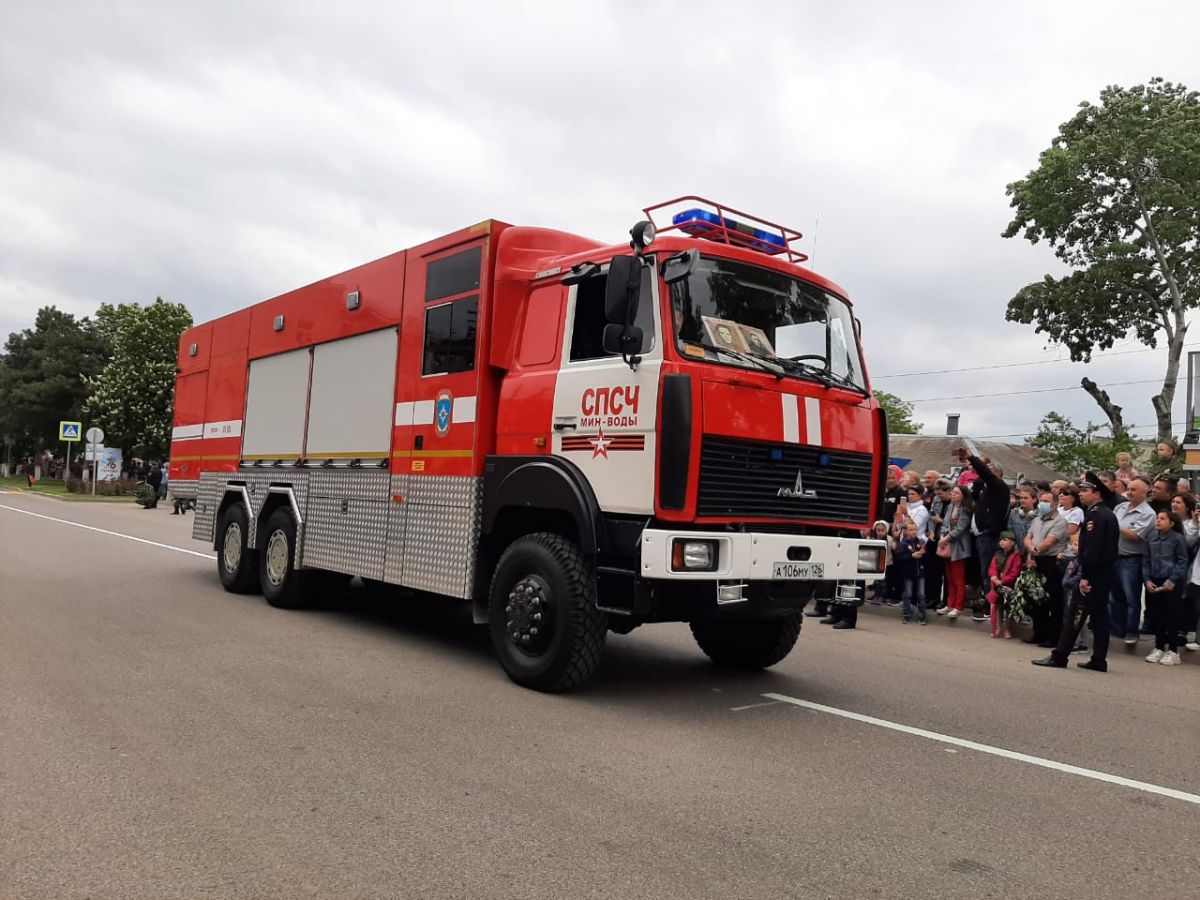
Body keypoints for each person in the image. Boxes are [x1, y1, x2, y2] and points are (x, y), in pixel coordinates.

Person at [1033, 478, 1119, 672]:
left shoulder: (1096, 516)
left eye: (1085, 490)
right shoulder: (1107, 513)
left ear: (1097, 493)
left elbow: (1093, 550)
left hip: (1093, 575)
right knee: (1100, 617)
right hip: (1104, 574)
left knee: (1074, 616)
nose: (1081, 494)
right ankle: (1098, 659)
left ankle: (1060, 656)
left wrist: (1085, 576)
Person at [956, 448, 1009, 616]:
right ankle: (985, 603)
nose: (983, 477)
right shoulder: (986, 490)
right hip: (979, 536)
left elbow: (986, 475)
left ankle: (990, 607)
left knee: (988, 573)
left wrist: (972, 458)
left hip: (989, 536)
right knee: (982, 573)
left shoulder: (1000, 488)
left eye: (988, 473)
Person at [1110, 477, 1156, 645]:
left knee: (1131, 598)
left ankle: (1131, 631)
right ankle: (1116, 629)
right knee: (1114, 596)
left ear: (1144, 492)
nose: (1129, 492)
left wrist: (1114, 526)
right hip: (1114, 557)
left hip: (1132, 560)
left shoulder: (1148, 513)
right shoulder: (1120, 507)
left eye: (1133, 490)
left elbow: (1135, 535)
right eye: (1128, 489)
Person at [1143, 510, 1189, 666]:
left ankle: (1174, 650)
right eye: (1157, 518)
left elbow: (1182, 561)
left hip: (1171, 582)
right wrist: (1147, 580)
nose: (1158, 521)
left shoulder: (1177, 538)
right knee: (1157, 615)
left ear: (1171, 523)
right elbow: (1146, 560)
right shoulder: (1151, 537)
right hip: (1154, 580)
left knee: (1171, 615)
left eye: (1162, 519)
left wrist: (1172, 580)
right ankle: (1159, 647)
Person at [1025, 490, 1068, 647]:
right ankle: (1039, 633)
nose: (1043, 504)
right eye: (1041, 500)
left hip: (1052, 562)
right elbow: (1028, 538)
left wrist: (1034, 551)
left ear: (1055, 504)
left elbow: (1049, 542)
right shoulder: (1037, 519)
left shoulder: (1060, 521)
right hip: (1037, 561)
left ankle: (1053, 637)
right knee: (1037, 599)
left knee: (1054, 601)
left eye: (1047, 501)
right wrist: (1031, 553)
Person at [937, 485, 974, 618]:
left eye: (956, 493)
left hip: (959, 547)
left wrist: (946, 538)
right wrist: (942, 536)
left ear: (963, 495)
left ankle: (959, 606)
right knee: (949, 578)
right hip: (947, 545)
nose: (953, 495)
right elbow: (944, 524)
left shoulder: (965, 509)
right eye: (952, 492)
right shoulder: (950, 507)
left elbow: (961, 528)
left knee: (958, 578)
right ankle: (949, 604)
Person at [987, 531, 1022, 638]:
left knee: (1008, 608)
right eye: (1001, 540)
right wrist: (994, 576)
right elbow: (992, 567)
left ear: (1012, 543)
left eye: (1005, 540)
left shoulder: (1016, 556)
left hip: (1009, 586)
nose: (1002, 542)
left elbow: (1015, 572)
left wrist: (1002, 581)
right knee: (998, 607)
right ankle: (998, 628)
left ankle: (1007, 629)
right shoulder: (997, 555)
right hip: (997, 585)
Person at [924, 479, 952, 610]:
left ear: (948, 491)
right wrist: (930, 531)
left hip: (945, 539)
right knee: (932, 571)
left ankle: (945, 600)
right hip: (934, 537)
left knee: (945, 573)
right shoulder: (936, 500)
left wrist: (940, 521)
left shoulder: (953, 503)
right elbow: (931, 516)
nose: (938, 496)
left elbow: (951, 522)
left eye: (941, 494)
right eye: (936, 494)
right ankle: (932, 598)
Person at [895, 520, 927, 624]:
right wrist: (911, 556)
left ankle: (922, 617)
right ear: (905, 531)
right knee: (908, 594)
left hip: (920, 572)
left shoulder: (920, 542)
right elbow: (900, 558)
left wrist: (923, 554)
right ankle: (906, 615)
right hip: (908, 573)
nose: (914, 531)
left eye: (915, 529)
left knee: (921, 595)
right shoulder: (903, 544)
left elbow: (925, 556)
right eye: (911, 529)